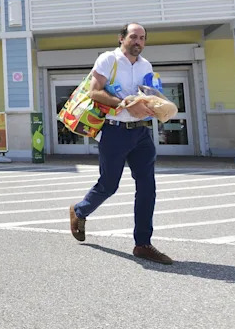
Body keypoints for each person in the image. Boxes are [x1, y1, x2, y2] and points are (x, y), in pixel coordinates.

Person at [68, 23, 173, 265]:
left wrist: (157, 106)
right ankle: (80, 210)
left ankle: (143, 244)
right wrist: (124, 104)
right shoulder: (108, 59)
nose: (138, 41)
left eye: (142, 38)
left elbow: (149, 93)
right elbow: (95, 92)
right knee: (108, 185)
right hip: (114, 132)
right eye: (133, 37)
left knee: (148, 187)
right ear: (121, 38)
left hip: (141, 134)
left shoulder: (146, 65)